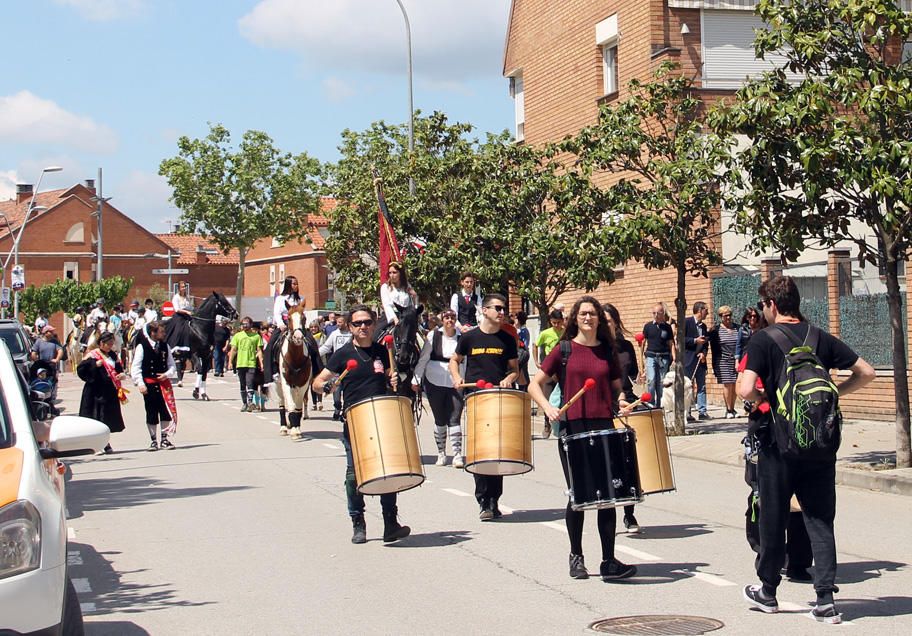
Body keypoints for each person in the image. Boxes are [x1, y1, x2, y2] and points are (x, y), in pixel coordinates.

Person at [739, 275, 875, 624]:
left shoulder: (762, 340)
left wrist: (762, 398)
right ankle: (826, 598)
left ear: (771, 304)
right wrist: (835, 394)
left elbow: (744, 389)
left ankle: (768, 592)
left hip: (778, 443)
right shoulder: (820, 337)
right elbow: (866, 372)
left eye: (763, 305)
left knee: (773, 516)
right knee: (820, 519)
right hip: (820, 443)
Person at [528, 296, 636, 581]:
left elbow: (616, 391)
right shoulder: (564, 349)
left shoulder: (606, 352)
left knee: (607, 496)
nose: (588, 317)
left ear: (599, 319)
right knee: (578, 494)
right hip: (573, 428)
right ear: (575, 318)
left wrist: (621, 402)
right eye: (583, 313)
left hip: (603, 426)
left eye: (593, 314)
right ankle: (576, 556)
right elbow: (533, 384)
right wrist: (548, 408)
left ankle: (609, 560)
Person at [312, 305, 410, 545]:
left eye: (367, 322)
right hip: (355, 420)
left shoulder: (382, 351)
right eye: (357, 324)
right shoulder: (343, 354)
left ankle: (390, 524)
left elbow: (391, 376)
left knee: (387, 472)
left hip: (382, 417)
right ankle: (358, 522)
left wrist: (394, 378)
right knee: (353, 475)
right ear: (349, 326)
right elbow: (317, 382)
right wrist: (327, 386)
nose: (363, 327)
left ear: (374, 324)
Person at [449, 293, 519, 521]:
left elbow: (514, 369)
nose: (502, 312)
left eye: (503, 309)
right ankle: (483, 500)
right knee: (480, 450)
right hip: (476, 398)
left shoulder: (507, 340)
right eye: (497, 308)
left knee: (497, 451)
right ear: (485, 310)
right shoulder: (470, 338)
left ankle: (494, 499)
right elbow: (454, 360)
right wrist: (456, 377)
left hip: (498, 398)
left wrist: (509, 379)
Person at [603, 302, 642, 534]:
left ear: (616, 322)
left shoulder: (626, 346)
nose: (607, 324)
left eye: (610, 320)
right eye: (604, 320)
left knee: (629, 461)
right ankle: (609, 512)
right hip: (607, 406)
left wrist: (639, 379)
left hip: (627, 404)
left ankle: (629, 514)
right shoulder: (596, 347)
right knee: (611, 463)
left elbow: (633, 374)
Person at [413, 309, 463, 467]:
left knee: (455, 417)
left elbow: (466, 360)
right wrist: (417, 378)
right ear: (442, 319)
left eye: (453, 317)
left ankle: (457, 454)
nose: (450, 320)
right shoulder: (433, 336)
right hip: (434, 380)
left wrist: (465, 379)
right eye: (447, 317)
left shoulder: (462, 337)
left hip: (456, 380)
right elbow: (424, 358)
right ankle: (441, 453)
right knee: (440, 418)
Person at [131, 320, 179, 451]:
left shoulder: (165, 346)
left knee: (165, 411)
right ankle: (153, 440)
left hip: (164, 384)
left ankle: (164, 438)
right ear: (153, 333)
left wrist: (167, 374)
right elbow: (135, 367)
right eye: (161, 331)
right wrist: (140, 383)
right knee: (151, 411)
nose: (164, 334)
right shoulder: (142, 347)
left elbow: (172, 365)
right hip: (149, 384)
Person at [78, 331, 126, 454]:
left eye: (112, 344)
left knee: (107, 418)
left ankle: (106, 442)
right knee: (96, 418)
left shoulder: (113, 356)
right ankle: (97, 444)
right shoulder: (92, 355)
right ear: (101, 343)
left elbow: (119, 369)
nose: (110, 346)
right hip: (95, 391)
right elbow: (81, 370)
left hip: (109, 390)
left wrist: (121, 375)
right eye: (108, 344)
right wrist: (94, 365)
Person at [534, 309, 565, 439]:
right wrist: (536, 361)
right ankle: (547, 423)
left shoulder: (565, 333)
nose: (556, 325)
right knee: (547, 397)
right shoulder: (546, 333)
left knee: (560, 399)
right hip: (549, 369)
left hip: (562, 369)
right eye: (553, 323)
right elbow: (535, 345)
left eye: (558, 322)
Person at [319, 313, 353, 421]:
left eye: (340, 322)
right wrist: (315, 353)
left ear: (346, 323)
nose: (338, 324)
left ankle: (345, 411)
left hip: (350, 369)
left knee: (348, 393)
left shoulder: (352, 335)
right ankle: (337, 408)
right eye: (337, 322)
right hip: (338, 369)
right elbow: (326, 347)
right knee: (336, 393)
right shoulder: (334, 334)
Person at [641, 302, 674, 408]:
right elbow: (643, 342)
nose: (656, 315)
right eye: (653, 313)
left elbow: (671, 343)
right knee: (651, 380)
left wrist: (674, 356)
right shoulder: (648, 326)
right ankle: (651, 403)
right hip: (651, 355)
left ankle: (660, 405)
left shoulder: (667, 327)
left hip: (664, 356)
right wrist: (641, 357)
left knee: (661, 382)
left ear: (663, 313)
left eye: (658, 313)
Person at [228, 317, 264, 412]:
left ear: (251, 325)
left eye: (247, 324)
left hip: (251, 363)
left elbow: (259, 351)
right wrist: (230, 362)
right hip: (240, 363)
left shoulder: (256, 336)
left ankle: (250, 402)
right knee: (242, 384)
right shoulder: (237, 336)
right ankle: (244, 403)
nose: (245, 326)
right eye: (243, 324)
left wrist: (261, 363)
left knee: (250, 382)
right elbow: (234, 350)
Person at [709, 305, 739, 418]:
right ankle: (729, 410)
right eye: (725, 316)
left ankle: (733, 407)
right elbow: (713, 348)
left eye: (730, 315)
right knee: (727, 384)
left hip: (736, 360)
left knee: (735, 384)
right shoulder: (715, 330)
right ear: (721, 317)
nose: (728, 318)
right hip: (723, 360)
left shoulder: (737, 328)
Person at [683, 301, 710, 421]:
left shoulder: (703, 326)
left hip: (700, 360)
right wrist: (694, 341)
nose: (707, 313)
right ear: (700, 310)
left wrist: (703, 354)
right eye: (706, 310)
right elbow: (681, 339)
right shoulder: (686, 322)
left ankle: (702, 411)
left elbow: (705, 342)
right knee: (688, 386)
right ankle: (687, 412)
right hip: (688, 359)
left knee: (702, 386)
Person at [377, 262, 418, 335]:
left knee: (421, 337)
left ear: (400, 273)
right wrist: (395, 319)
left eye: (394, 272)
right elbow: (387, 305)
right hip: (390, 317)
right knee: (375, 336)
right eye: (390, 273)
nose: (392, 275)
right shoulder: (385, 287)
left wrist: (415, 296)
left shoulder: (407, 285)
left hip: (406, 317)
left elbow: (412, 305)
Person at [166, 281, 194, 386]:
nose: (184, 288)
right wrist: (186, 312)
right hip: (179, 317)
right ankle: (176, 344)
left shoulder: (187, 298)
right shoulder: (176, 297)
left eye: (185, 287)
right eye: (182, 287)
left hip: (187, 317)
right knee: (178, 329)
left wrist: (191, 311)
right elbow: (177, 309)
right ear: (179, 288)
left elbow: (190, 306)